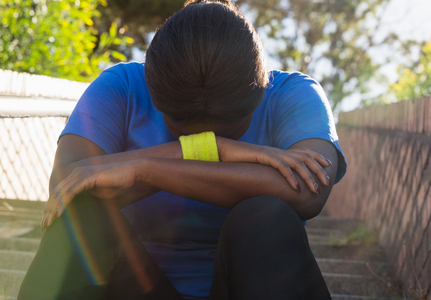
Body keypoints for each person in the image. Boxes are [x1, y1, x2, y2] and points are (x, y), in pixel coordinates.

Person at [18, 0, 347, 299]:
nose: (205, 137)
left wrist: (147, 168)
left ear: (262, 91)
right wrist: (210, 149)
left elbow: (309, 191)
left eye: (225, 131)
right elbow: (70, 187)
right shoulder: (123, 87)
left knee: (265, 217)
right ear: (151, 85)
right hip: (138, 287)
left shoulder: (292, 94)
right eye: (181, 128)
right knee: (83, 217)